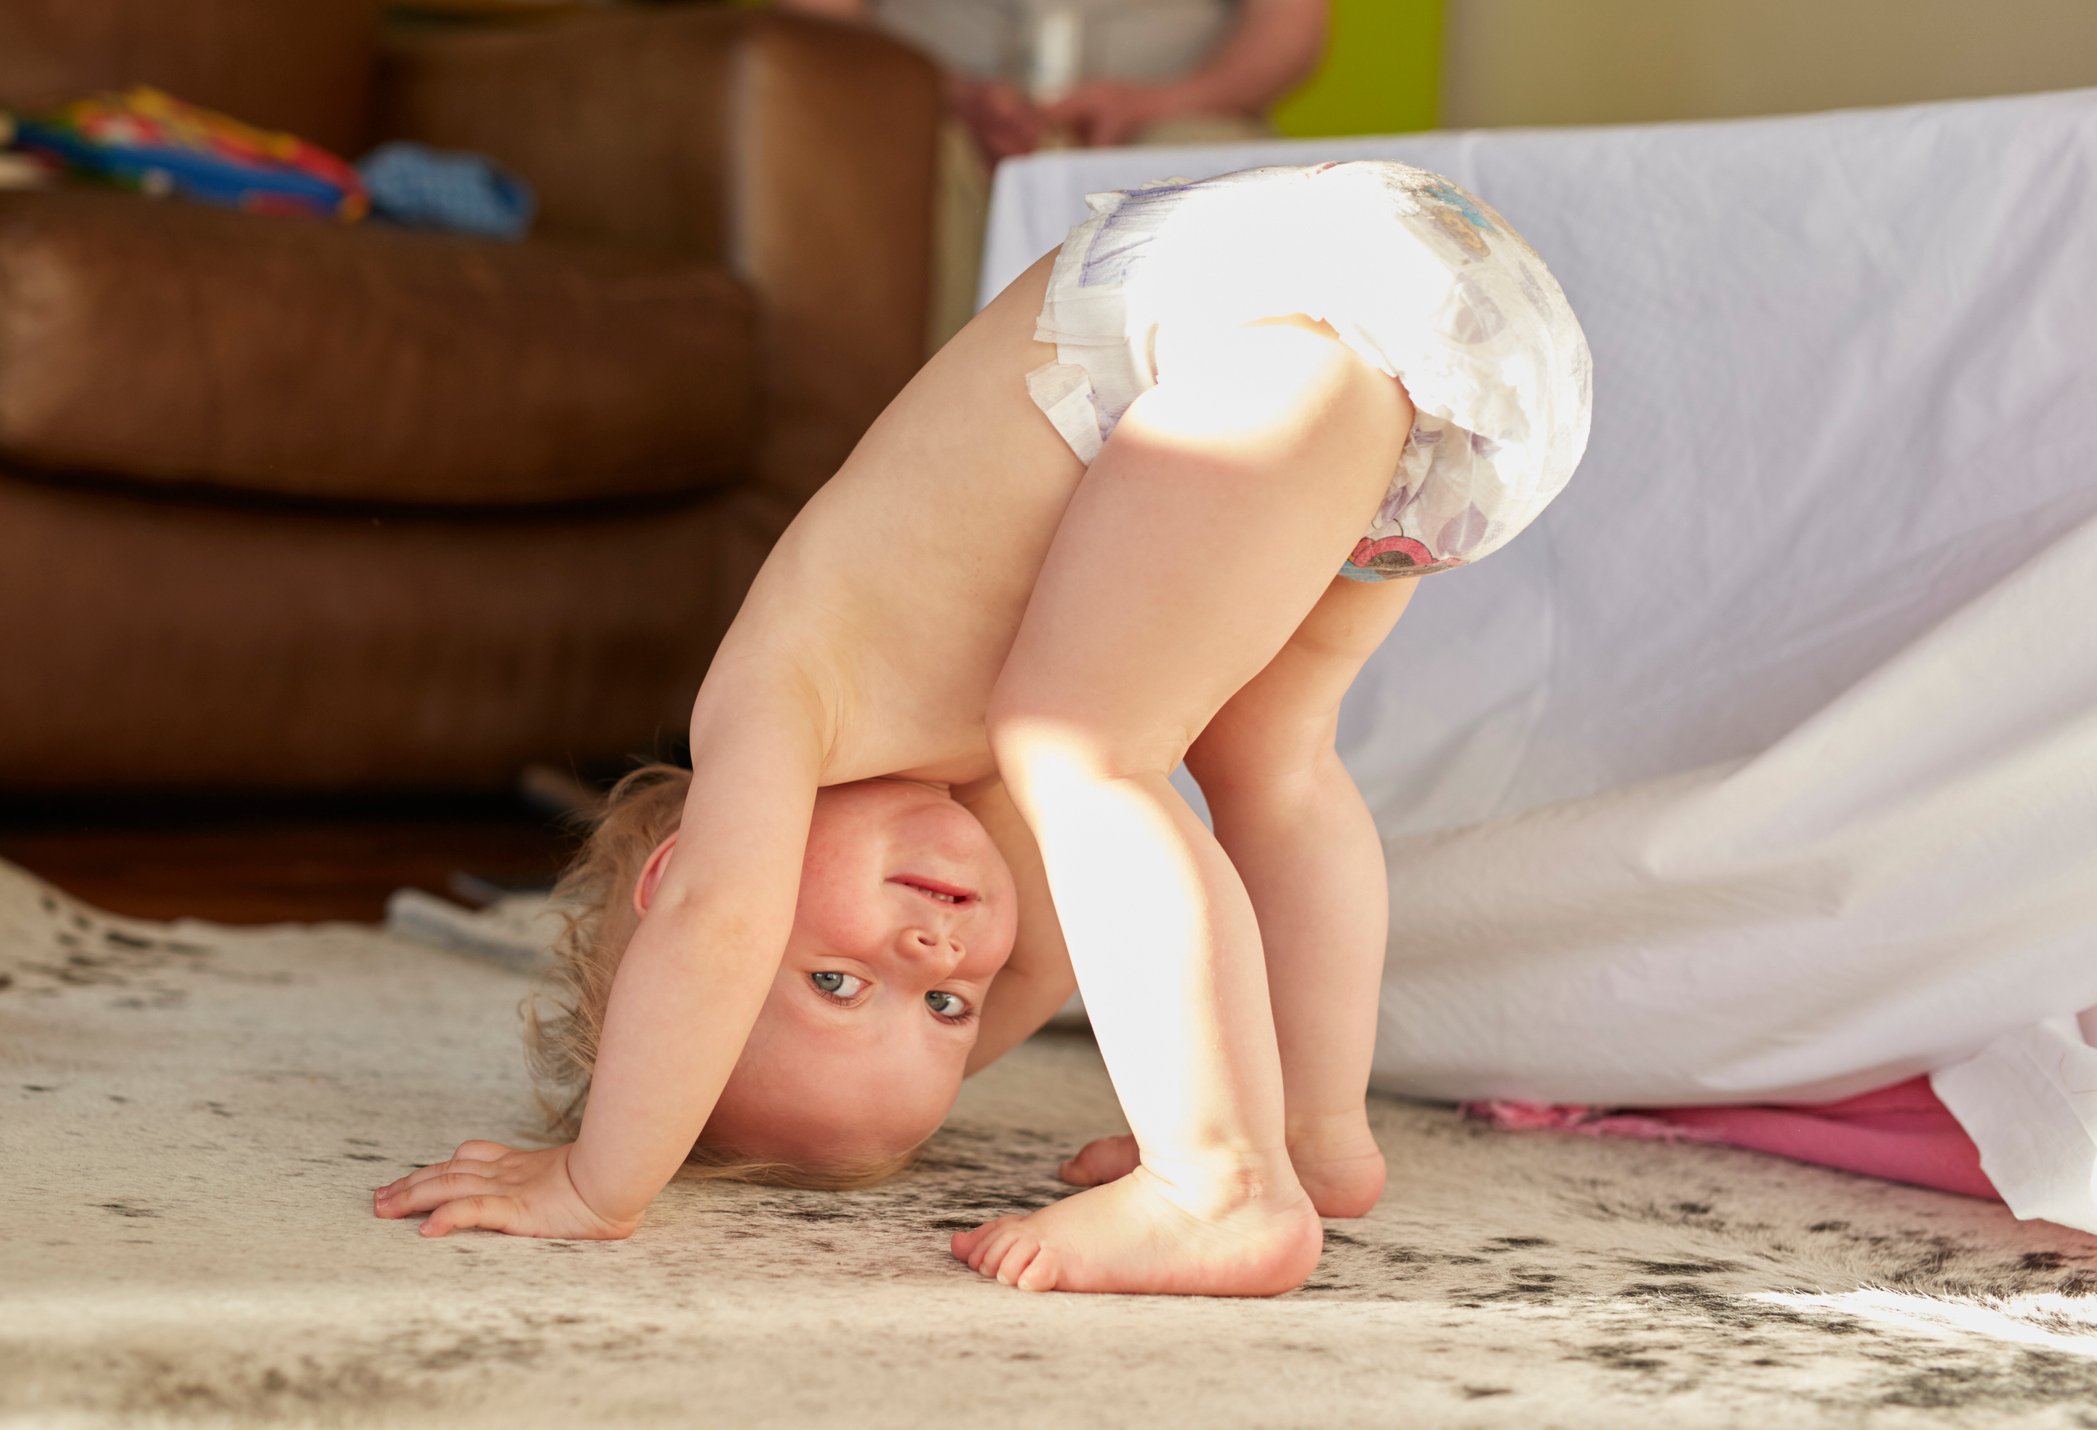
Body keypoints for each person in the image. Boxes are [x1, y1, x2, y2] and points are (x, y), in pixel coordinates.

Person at [370, 158, 1594, 1296]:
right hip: (1445, 359)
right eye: (947, 1007)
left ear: (676, 870)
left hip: (1263, 303)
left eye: (839, 978)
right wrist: (939, 1010)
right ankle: (1316, 1136)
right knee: (1268, 761)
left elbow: (721, 924)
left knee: (1087, 751)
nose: (935, 952)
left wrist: (599, 1178)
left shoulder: (771, 702)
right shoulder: (966, 791)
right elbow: (1050, 955)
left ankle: (1219, 1180)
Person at [777, 0, 1331, 349]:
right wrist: (948, 94)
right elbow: (818, 19)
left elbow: (1288, 25)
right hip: (928, 104)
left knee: (1209, 177)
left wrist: (1165, 102)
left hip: (1178, 110)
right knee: (902, 163)